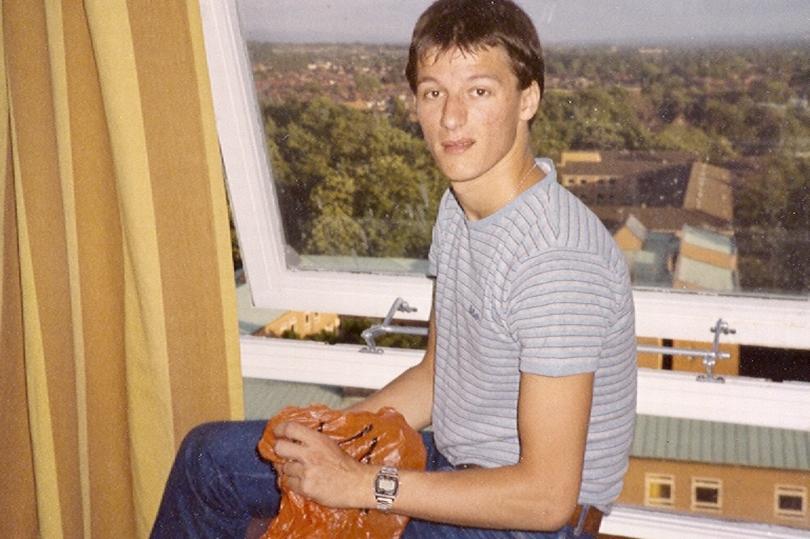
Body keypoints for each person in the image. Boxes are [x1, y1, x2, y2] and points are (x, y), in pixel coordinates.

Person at [150, 0, 637, 537]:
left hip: (521, 521)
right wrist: (338, 436)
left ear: (528, 99)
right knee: (209, 461)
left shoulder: (556, 259)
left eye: (479, 91)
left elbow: (545, 497)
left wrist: (360, 482)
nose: (451, 118)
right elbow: (437, 375)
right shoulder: (461, 209)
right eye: (434, 92)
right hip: (450, 465)